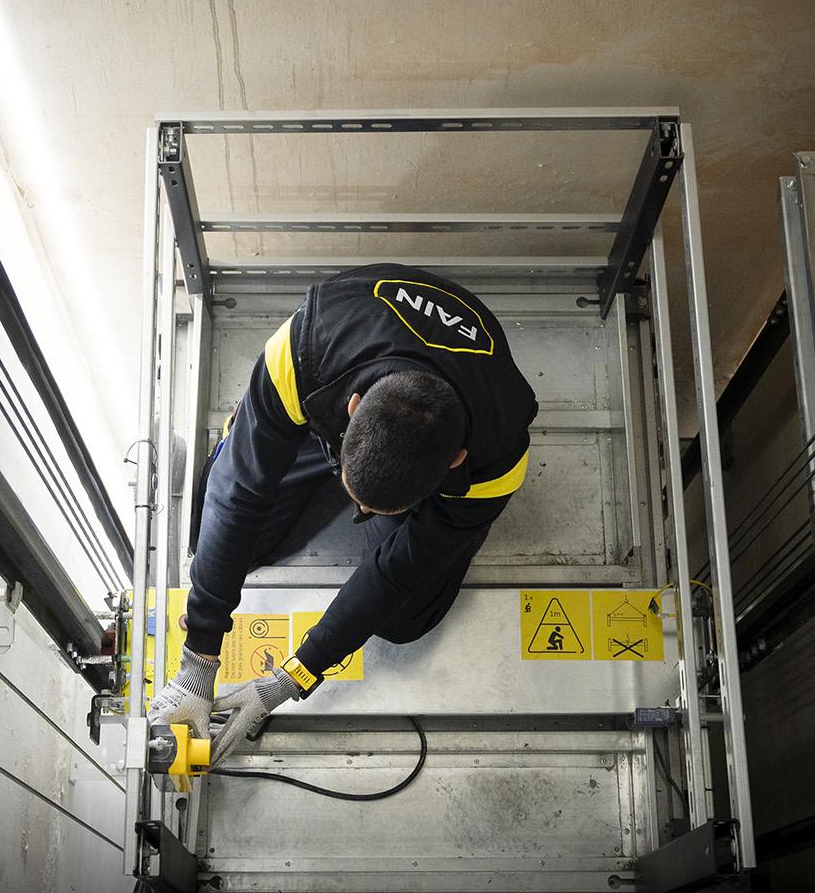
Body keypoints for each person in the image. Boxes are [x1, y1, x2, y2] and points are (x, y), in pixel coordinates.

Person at [145, 264, 537, 759]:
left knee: (405, 616)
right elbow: (239, 494)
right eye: (358, 496)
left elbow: (397, 573)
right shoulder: (305, 350)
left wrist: (290, 678)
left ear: (454, 463)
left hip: (421, 428)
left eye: (375, 507)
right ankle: (270, 436)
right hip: (326, 397)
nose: (360, 511)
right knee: (216, 526)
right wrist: (198, 661)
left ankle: (371, 480)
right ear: (353, 409)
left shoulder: (496, 460)